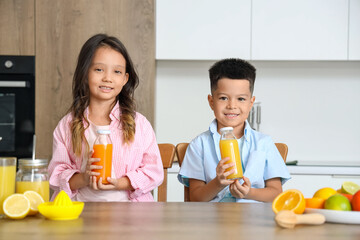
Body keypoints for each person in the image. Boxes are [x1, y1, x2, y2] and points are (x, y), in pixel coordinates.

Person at [48, 34, 163, 202]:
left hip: (130, 215)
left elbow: (154, 172)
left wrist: (120, 183)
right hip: (79, 212)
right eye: (99, 69)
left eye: (117, 72)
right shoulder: (67, 125)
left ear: (125, 79)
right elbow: (56, 175)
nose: (108, 78)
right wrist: (84, 178)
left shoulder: (140, 125)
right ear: (85, 72)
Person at [178, 58, 290, 202]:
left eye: (241, 99)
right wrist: (217, 183)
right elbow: (195, 197)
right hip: (212, 221)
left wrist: (249, 193)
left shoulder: (264, 143)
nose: (232, 105)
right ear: (212, 102)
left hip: (253, 219)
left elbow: (276, 193)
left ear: (251, 103)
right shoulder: (199, 145)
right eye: (224, 98)